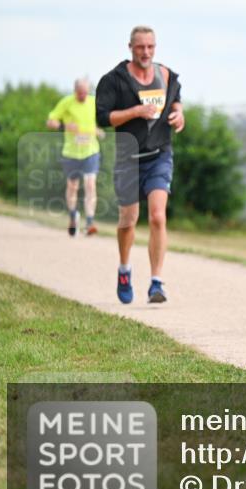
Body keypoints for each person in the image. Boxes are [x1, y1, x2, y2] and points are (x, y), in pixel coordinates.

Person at [96, 26, 184, 304]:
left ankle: (156, 282)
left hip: (159, 154)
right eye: (140, 47)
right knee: (128, 220)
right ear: (130, 48)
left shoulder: (165, 75)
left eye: (150, 47)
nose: (145, 52)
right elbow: (102, 118)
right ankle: (124, 269)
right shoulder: (114, 80)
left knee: (158, 216)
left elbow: (176, 101)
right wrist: (135, 111)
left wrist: (179, 114)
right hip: (127, 159)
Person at [46, 78, 103, 236]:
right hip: (71, 152)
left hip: (91, 151)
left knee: (90, 185)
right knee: (73, 187)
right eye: (80, 93)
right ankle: (73, 217)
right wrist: (64, 126)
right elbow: (50, 122)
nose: (83, 96)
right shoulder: (66, 102)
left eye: (85, 92)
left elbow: (101, 119)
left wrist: (97, 130)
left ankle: (90, 222)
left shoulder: (93, 102)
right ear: (75, 91)